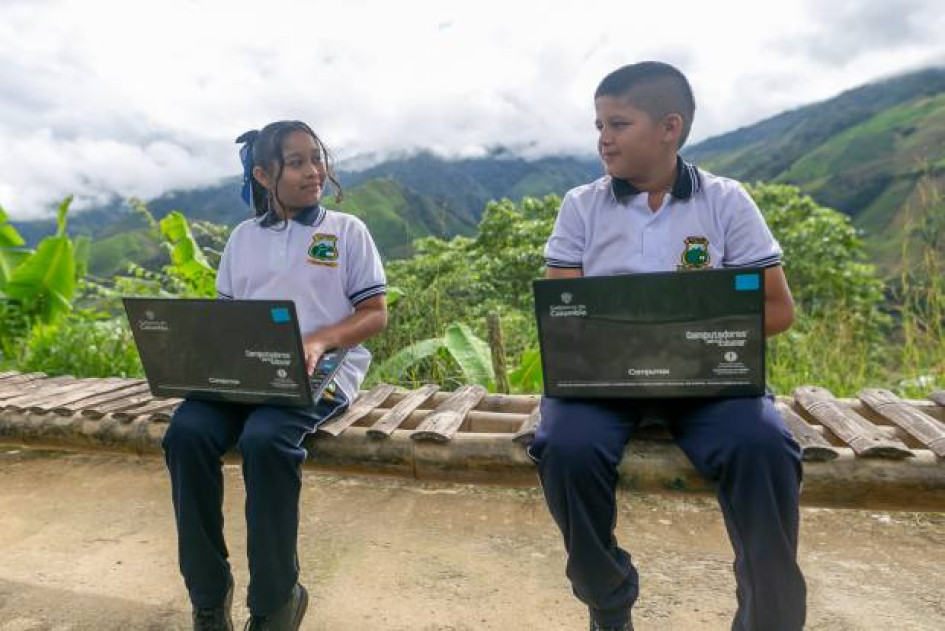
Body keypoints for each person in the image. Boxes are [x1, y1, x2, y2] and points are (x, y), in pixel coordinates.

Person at [528, 62, 806, 631]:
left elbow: (778, 310)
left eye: (618, 123)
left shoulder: (726, 203)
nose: (603, 138)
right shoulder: (581, 206)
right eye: (599, 124)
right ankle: (608, 600)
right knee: (563, 447)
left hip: (706, 382)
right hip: (603, 384)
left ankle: (767, 617)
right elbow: (563, 313)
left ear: (669, 127)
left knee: (765, 446)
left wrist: (688, 336)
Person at [161, 120, 388, 631]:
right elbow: (226, 319)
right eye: (298, 162)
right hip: (244, 371)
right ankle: (208, 597)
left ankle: (274, 602)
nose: (314, 172)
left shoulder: (346, 231)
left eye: (317, 158)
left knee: (265, 441)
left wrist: (321, 339)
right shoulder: (242, 240)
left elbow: (374, 313)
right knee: (187, 433)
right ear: (264, 175)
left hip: (321, 372)